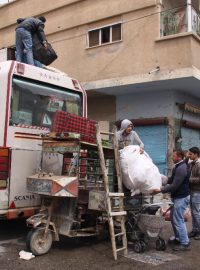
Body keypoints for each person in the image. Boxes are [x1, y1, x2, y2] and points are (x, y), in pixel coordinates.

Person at [155, 150, 190, 251]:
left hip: (181, 197)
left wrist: (160, 189)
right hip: (178, 197)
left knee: (178, 220)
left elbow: (174, 185)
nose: (172, 158)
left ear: (179, 157)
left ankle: (185, 242)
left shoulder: (182, 168)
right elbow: (171, 180)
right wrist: (162, 178)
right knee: (174, 219)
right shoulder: (178, 166)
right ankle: (178, 238)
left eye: (174, 156)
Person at [187, 147, 200, 240]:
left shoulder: (199, 164)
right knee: (193, 212)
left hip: (197, 191)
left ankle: (198, 231)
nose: (189, 155)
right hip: (191, 190)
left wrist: (189, 180)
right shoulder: (192, 163)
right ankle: (195, 230)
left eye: (191, 154)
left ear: (196, 154)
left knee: (196, 212)